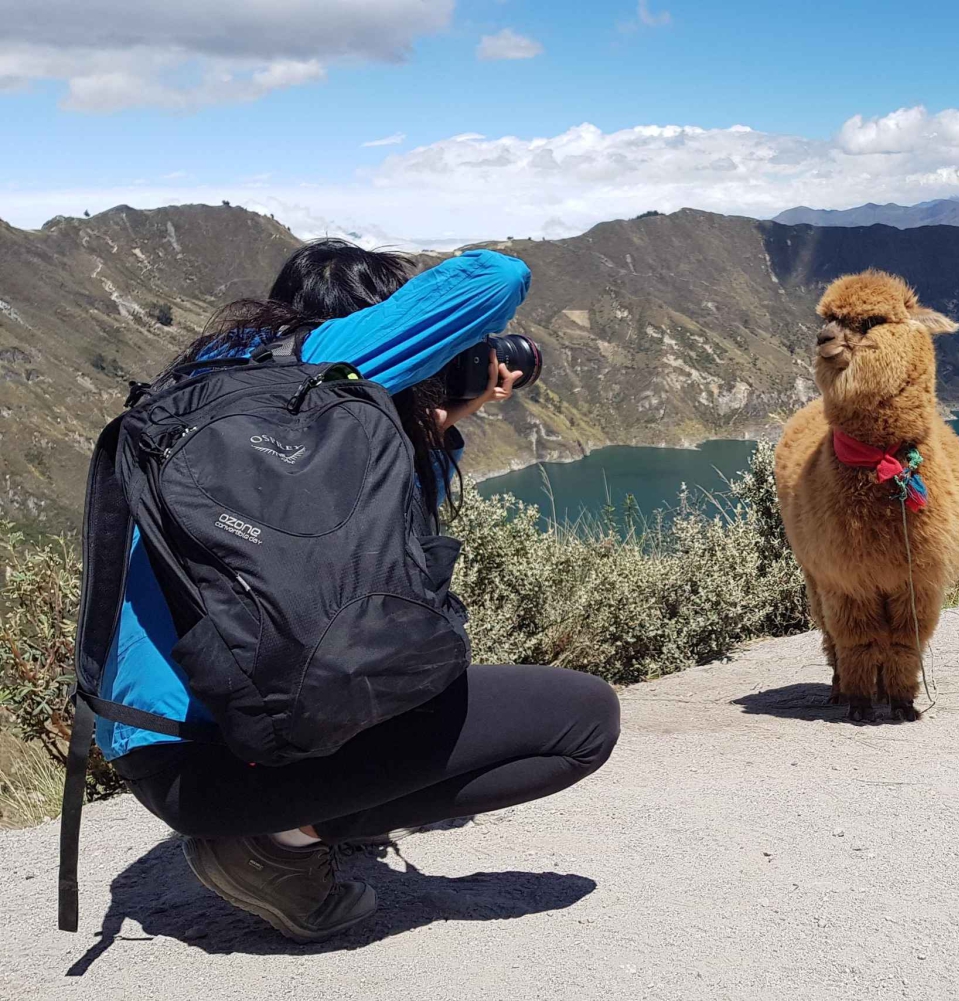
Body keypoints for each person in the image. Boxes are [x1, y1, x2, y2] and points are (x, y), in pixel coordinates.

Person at [100, 240, 621, 943]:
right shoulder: (327, 354)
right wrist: (406, 337)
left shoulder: (217, 389)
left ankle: (281, 824)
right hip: (223, 765)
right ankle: (271, 845)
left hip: (161, 757)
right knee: (583, 720)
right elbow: (498, 277)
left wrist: (434, 427)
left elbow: (368, 550)